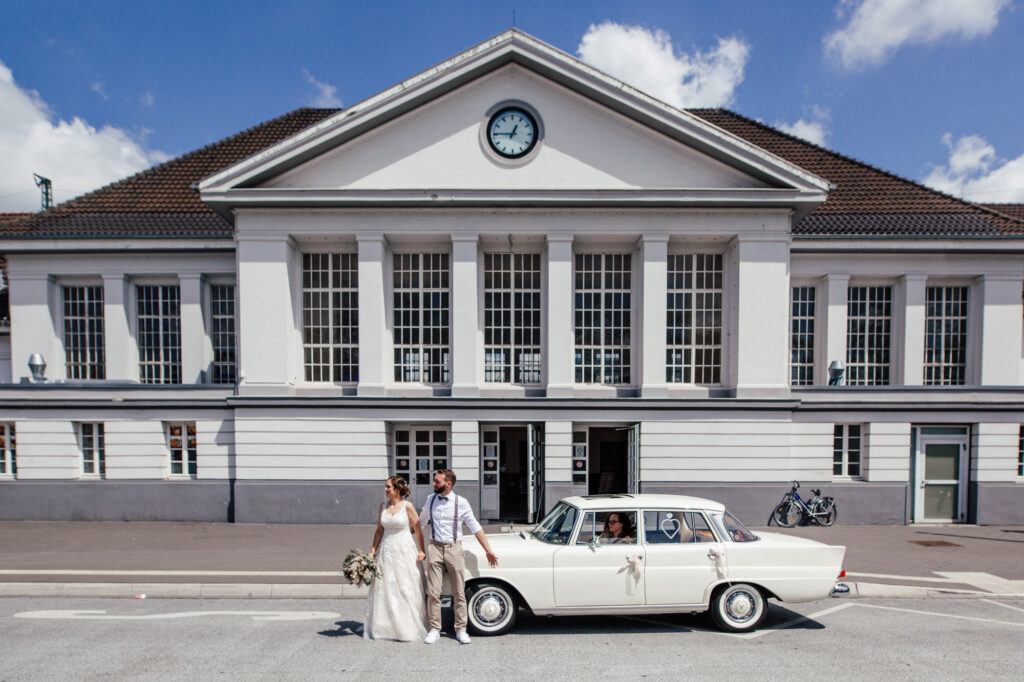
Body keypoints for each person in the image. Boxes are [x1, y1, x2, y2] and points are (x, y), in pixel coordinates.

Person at [419, 469, 499, 645]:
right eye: (434, 481)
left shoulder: (461, 502)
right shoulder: (430, 499)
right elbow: (421, 522)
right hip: (434, 547)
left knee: (459, 591)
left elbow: (474, 526)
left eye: (437, 482)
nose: (434, 484)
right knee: (433, 592)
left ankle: (461, 629)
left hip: (454, 548)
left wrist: (488, 550)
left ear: (448, 484)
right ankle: (434, 629)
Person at [362, 476, 428, 642]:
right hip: (386, 550)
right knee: (384, 588)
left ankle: (406, 628)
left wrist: (421, 550)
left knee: (404, 587)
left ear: (397, 489)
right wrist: (372, 551)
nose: (385, 490)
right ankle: (383, 627)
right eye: (385, 487)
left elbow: (418, 529)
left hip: (404, 549)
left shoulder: (408, 506)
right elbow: (379, 530)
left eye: (388, 487)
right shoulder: (382, 506)